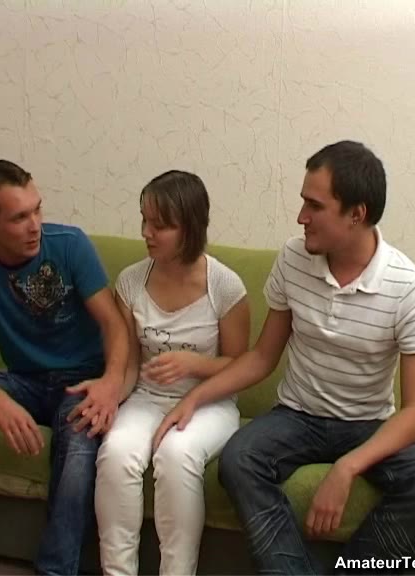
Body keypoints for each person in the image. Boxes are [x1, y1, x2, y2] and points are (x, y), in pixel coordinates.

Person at [153, 142, 415, 574]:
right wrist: (194, 398)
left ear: (356, 214)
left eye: (315, 206)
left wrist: (347, 468)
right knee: (238, 461)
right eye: (303, 202)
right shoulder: (294, 259)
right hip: (298, 416)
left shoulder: (406, 286)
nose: (300, 217)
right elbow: (262, 357)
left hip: (367, 423)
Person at [0, 159, 128, 576]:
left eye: (37, 210)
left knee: (80, 442)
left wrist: (111, 382)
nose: (35, 226)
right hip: (23, 382)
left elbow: (114, 325)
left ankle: (55, 571)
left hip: (81, 383)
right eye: (19, 218)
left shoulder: (70, 245)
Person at [95, 170, 250, 575]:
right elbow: (129, 364)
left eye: (159, 225)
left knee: (176, 455)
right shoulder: (131, 281)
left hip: (210, 402)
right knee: (115, 453)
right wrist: (109, 396)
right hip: (146, 398)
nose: (146, 233)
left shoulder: (225, 286)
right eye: (144, 220)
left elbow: (242, 365)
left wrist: (194, 364)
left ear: (190, 227)